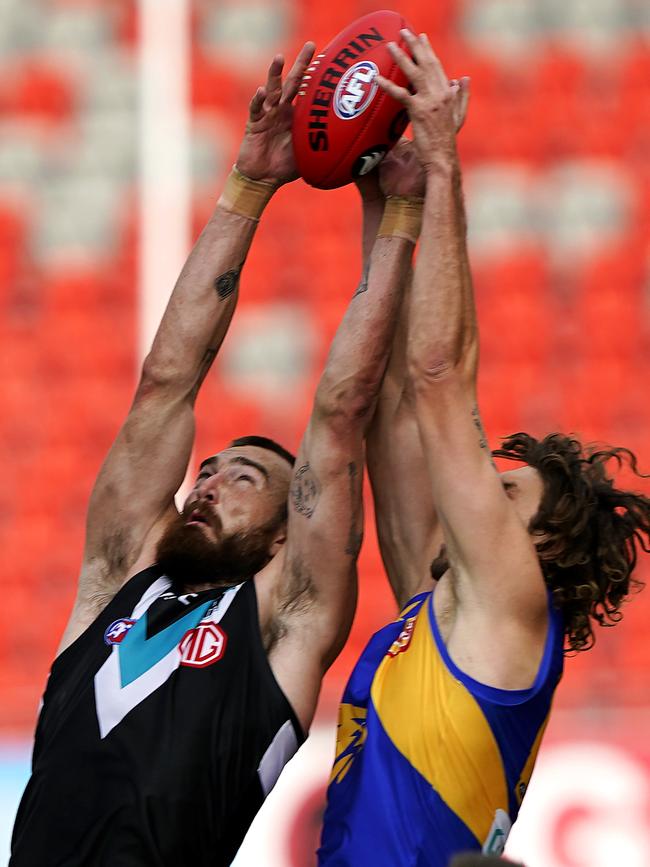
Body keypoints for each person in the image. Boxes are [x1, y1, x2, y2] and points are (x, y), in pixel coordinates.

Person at [10, 44, 424, 867]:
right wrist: (248, 185)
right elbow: (166, 383)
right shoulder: (117, 577)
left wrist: (396, 217)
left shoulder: (286, 616)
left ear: (283, 533)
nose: (208, 483)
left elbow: (341, 412)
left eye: (244, 479)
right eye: (207, 470)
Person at [318, 29, 650, 866]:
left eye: (508, 494)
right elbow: (396, 409)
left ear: (545, 542)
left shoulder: (511, 600)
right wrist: (385, 205)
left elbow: (437, 379)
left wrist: (441, 165)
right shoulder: (443, 614)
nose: (478, 492)